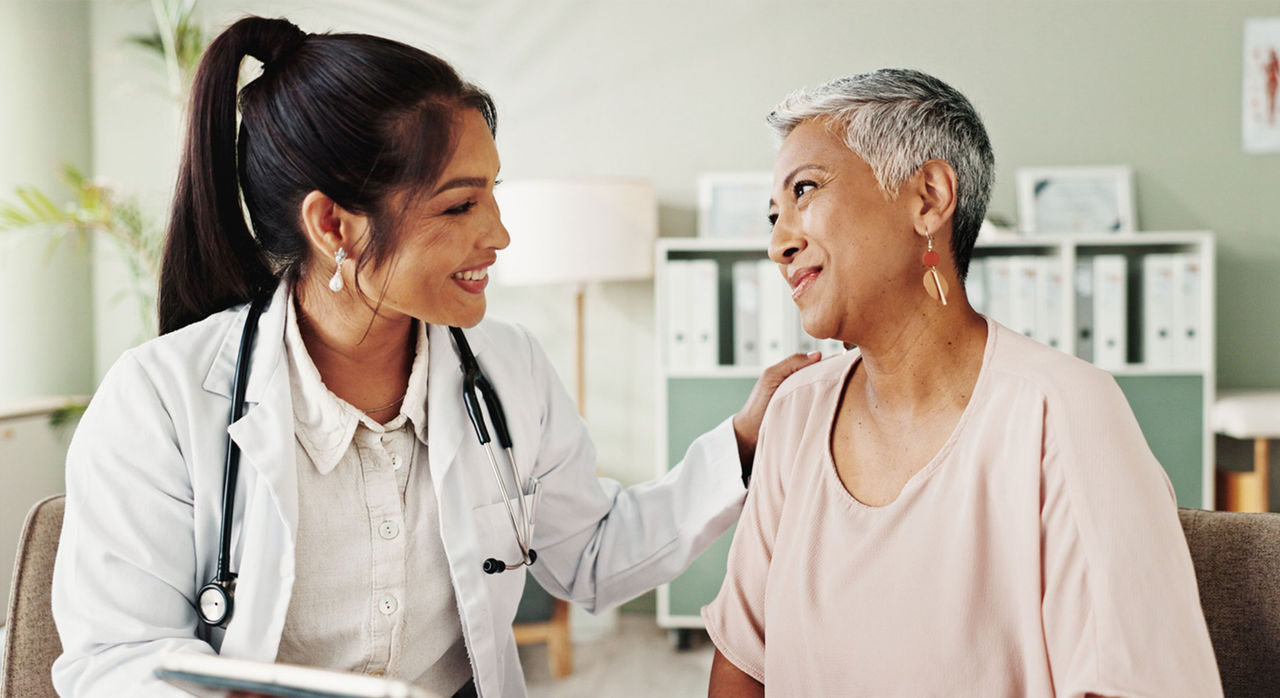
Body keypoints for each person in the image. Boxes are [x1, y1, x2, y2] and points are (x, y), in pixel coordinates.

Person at [49, 16, 817, 697]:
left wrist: (743, 444)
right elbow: (116, 658)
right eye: (459, 205)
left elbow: (590, 554)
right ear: (335, 227)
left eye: (491, 193)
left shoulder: (508, 371)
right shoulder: (161, 402)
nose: (499, 234)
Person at [702, 69, 1221, 697]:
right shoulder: (793, 414)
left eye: (804, 190)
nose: (778, 244)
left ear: (928, 198)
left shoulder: (1065, 412)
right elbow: (742, 667)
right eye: (772, 215)